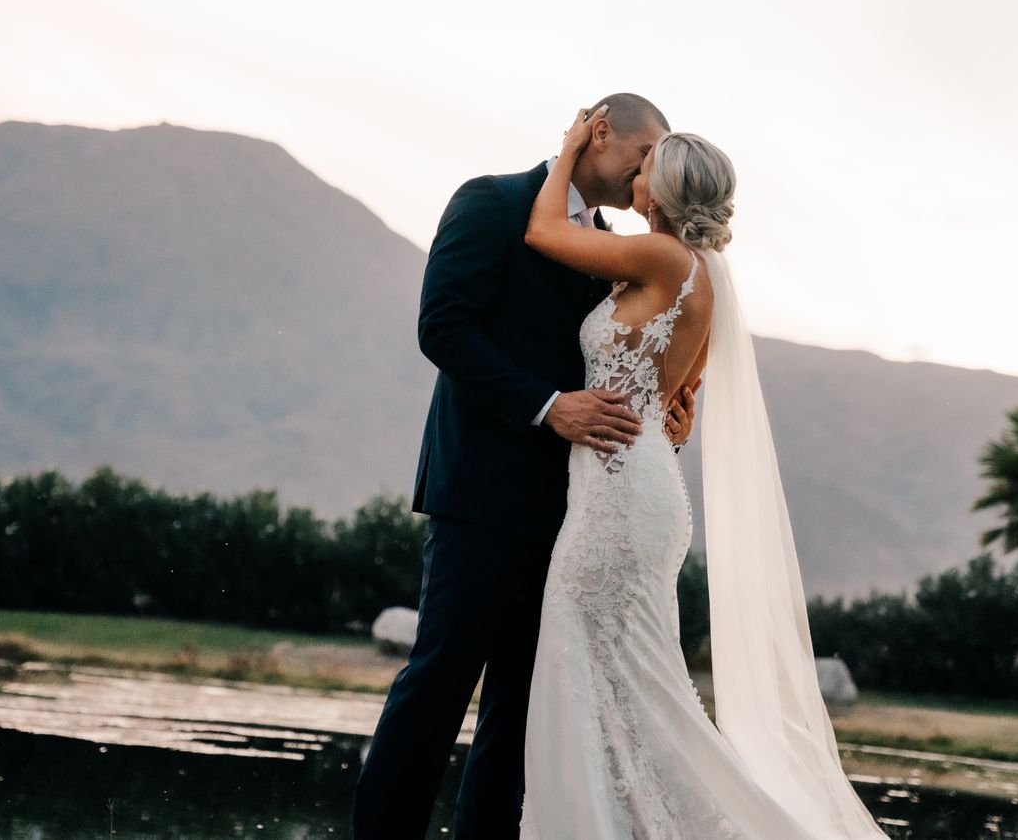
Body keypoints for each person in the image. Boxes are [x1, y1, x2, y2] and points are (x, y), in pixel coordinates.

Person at [516, 110, 888, 838]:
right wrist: (670, 408)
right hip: (638, 481)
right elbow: (677, 395)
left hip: (619, 496)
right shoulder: (700, 275)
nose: (639, 166)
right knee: (632, 685)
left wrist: (564, 152)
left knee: (601, 671)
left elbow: (543, 235)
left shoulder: (661, 259)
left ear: (661, 191)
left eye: (651, 160)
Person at [352, 94, 698, 840]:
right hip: (481, 494)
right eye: (643, 160)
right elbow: (442, 325)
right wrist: (548, 405)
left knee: (523, 709)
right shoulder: (493, 202)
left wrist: (669, 403)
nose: (650, 180)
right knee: (438, 687)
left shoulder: (616, 248)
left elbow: (632, 360)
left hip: (578, 512)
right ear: (598, 133)